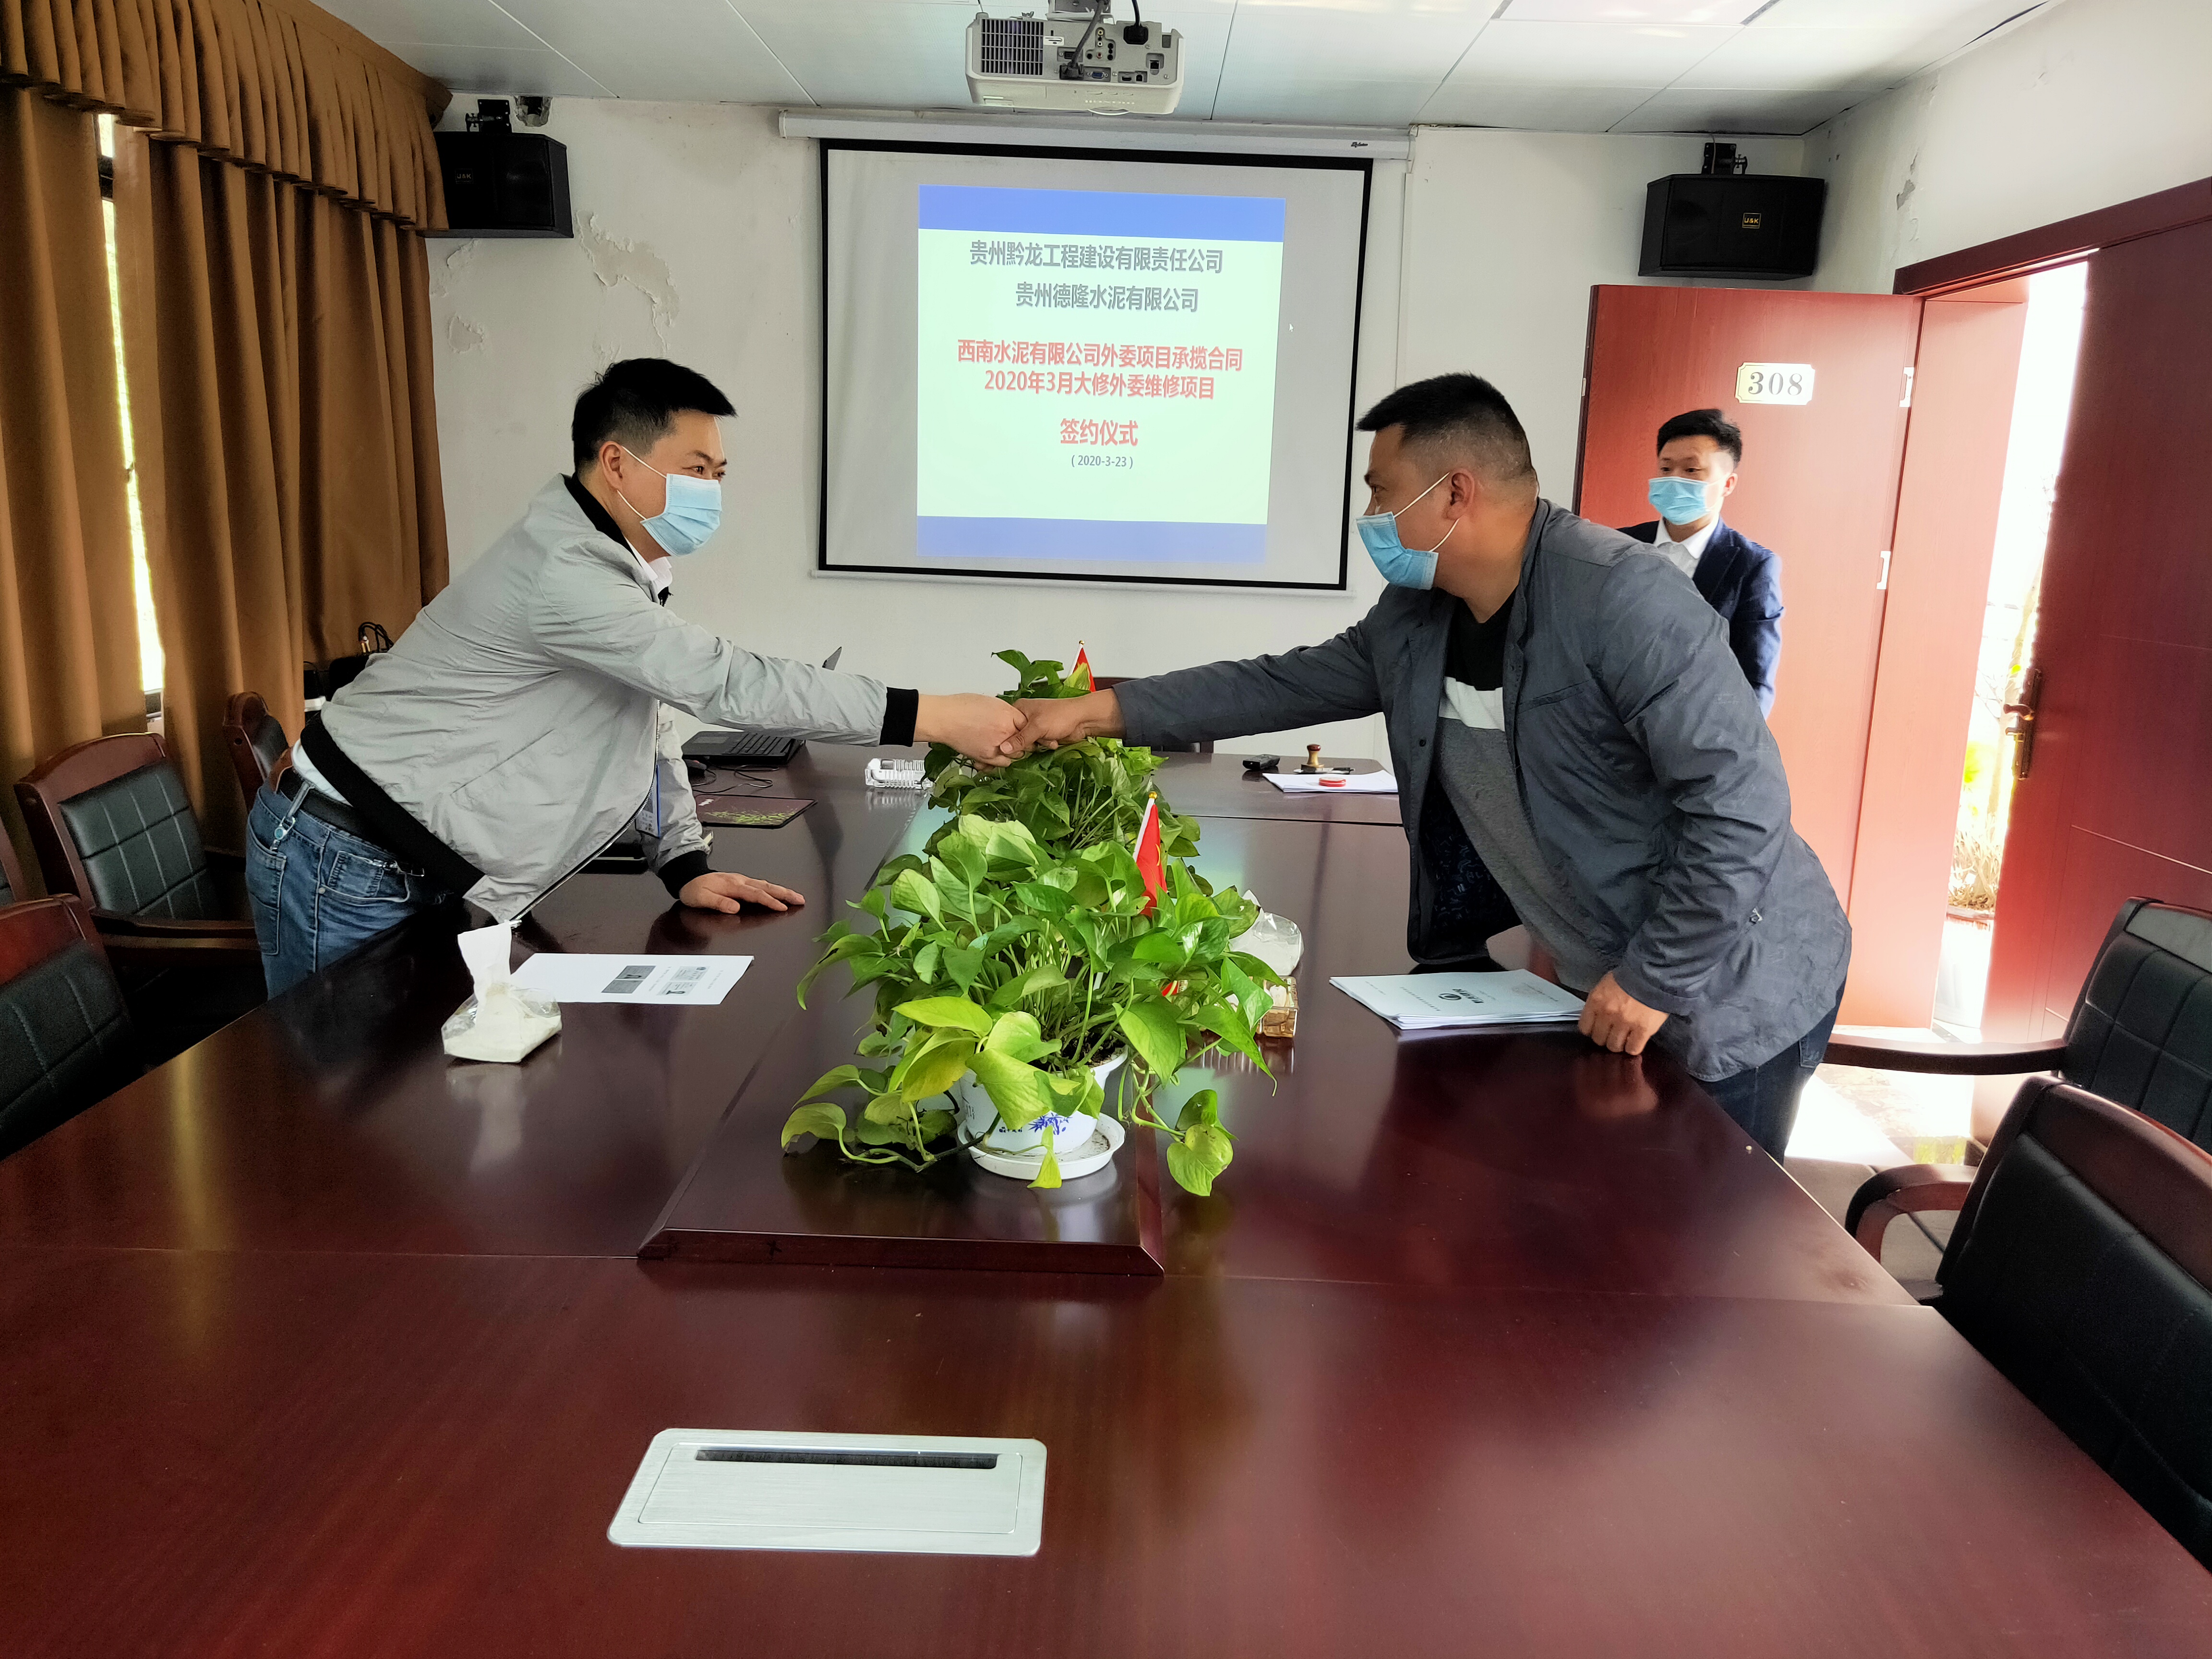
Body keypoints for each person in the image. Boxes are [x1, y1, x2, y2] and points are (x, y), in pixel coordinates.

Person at [1012, 373, 1849, 1159]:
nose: (1370, 515)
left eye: (1382, 492)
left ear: (1454, 493)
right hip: (1601, 974)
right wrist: (1099, 712)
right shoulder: (1417, 613)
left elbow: (1740, 803)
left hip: (1734, 978)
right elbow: (1282, 683)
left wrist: (1653, 977)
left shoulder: (1623, 599)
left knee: (1704, 1233)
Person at [245, 357, 1023, 996]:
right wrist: (931, 715)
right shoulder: (565, 572)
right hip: (347, 853)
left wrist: (682, 865)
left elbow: (643, 717)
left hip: (413, 856)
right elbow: (725, 682)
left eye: (719, 473)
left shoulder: (618, 566)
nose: (711, 492)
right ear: (616, 462)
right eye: (695, 470)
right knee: (336, 1097)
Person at [1620, 408, 1784, 715]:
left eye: (1691, 470)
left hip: (1697, 730)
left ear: (1728, 484)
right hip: (1611, 728)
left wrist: (1729, 740)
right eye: (1666, 468)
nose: (1674, 480)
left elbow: (1756, 679)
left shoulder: (1752, 566)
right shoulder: (1617, 545)